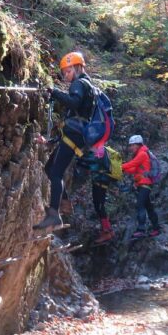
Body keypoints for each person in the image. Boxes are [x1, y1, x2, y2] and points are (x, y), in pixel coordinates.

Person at [33, 51, 96, 230]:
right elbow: (76, 115)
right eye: (64, 73)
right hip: (74, 135)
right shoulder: (87, 86)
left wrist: (55, 92)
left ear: (77, 68)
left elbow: (74, 103)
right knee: (50, 168)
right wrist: (50, 141)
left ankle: (54, 214)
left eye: (68, 71)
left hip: (74, 135)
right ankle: (64, 201)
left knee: (56, 173)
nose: (66, 76)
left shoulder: (80, 84)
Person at [76, 148, 119, 244]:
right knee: (100, 206)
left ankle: (106, 232)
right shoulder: (102, 150)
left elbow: (92, 164)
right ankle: (109, 230)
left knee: (99, 206)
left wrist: (78, 158)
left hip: (99, 182)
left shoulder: (99, 150)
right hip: (102, 182)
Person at [121, 134, 160, 238]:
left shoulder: (142, 154)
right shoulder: (140, 153)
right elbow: (133, 169)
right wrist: (123, 169)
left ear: (138, 145)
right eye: (130, 146)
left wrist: (119, 166)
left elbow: (132, 163)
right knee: (149, 207)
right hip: (143, 185)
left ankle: (141, 229)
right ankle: (156, 228)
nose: (130, 148)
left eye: (132, 145)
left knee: (140, 205)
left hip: (144, 185)